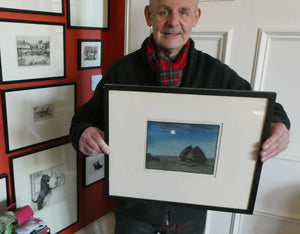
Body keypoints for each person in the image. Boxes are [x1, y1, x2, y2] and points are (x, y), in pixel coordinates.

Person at [70, 0, 290, 233]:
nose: (173, 22)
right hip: (133, 215)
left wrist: (280, 125)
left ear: (195, 17)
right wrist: (83, 133)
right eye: (164, 12)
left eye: (183, 12)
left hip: (190, 217)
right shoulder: (122, 71)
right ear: (149, 15)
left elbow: (264, 108)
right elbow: (84, 118)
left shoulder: (215, 73)